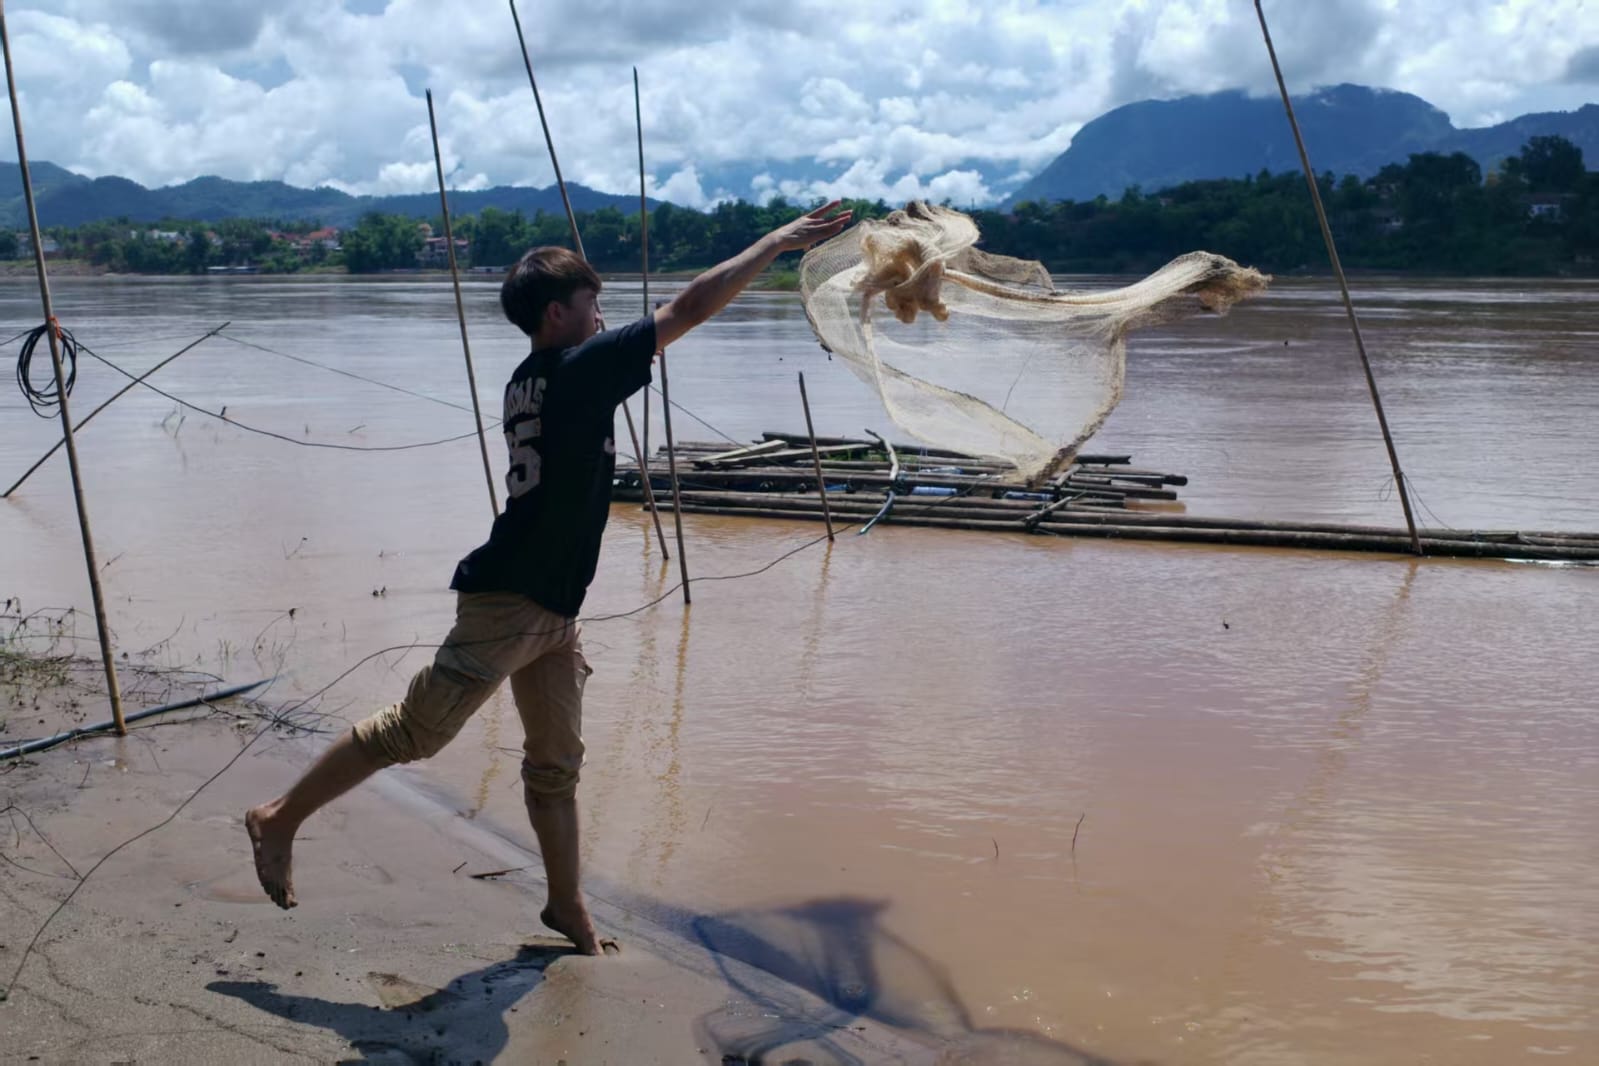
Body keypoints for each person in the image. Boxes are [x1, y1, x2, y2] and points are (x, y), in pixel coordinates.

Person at [246, 201, 852, 954]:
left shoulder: (530, 376)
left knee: (555, 766)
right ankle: (279, 818)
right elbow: (691, 306)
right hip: (511, 602)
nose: (606, 318)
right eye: (595, 305)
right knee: (413, 733)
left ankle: (567, 907)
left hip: (551, 608)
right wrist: (778, 240)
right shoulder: (577, 367)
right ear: (560, 314)